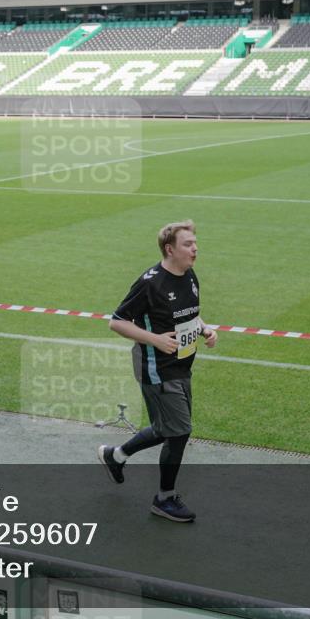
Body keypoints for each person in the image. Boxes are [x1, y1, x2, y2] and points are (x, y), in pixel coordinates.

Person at [97, 220, 217, 523]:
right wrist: (156, 340)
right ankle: (164, 499)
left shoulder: (189, 275)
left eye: (195, 243)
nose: (195, 249)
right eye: (188, 244)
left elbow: (191, 312)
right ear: (169, 249)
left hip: (181, 365)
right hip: (156, 367)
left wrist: (205, 328)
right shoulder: (151, 283)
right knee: (180, 431)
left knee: (166, 428)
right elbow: (117, 321)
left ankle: (115, 456)